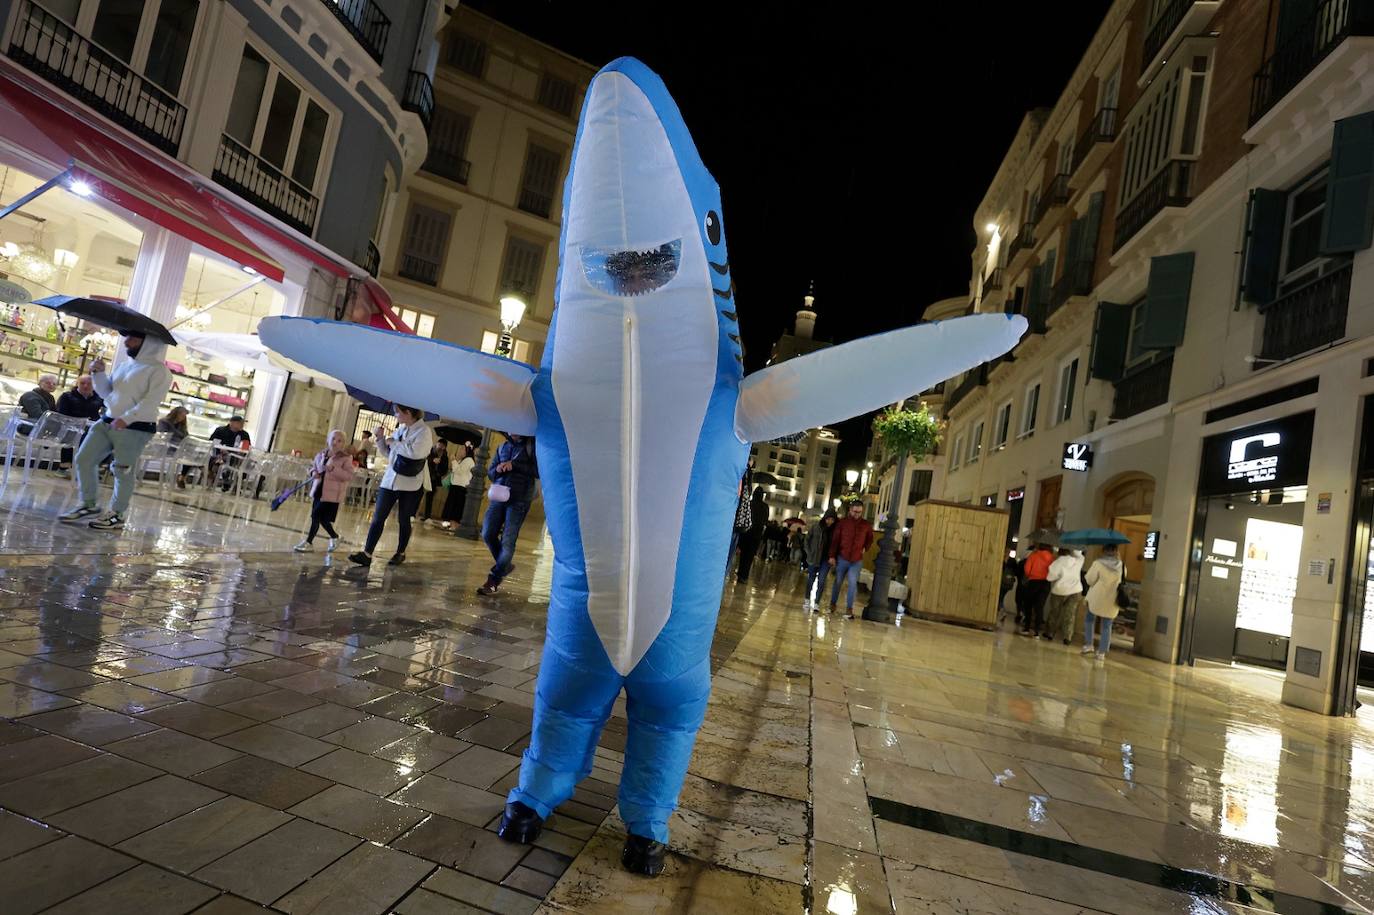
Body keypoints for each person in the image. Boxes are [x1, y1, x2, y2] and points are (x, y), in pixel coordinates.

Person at [58, 331, 171, 530]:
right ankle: (89, 504)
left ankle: (117, 514)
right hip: (108, 420)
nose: (127, 342)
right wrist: (98, 374)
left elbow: (151, 402)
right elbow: (107, 394)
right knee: (84, 459)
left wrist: (127, 418)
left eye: (133, 338)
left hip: (136, 426)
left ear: (148, 342)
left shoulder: (159, 371)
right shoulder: (124, 365)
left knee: (122, 469)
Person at [350, 405, 433, 567]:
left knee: (403, 519)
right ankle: (367, 553)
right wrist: (381, 439)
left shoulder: (424, 431)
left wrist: (393, 442)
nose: (396, 415)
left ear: (408, 413)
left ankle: (400, 553)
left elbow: (416, 453)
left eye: (398, 412)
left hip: (410, 483)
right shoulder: (401, 429)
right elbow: (389, 454)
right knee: (378, 517)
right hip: (390, 480)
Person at [477, 432, 539, 595]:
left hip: (519, 499)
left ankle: (493, 580)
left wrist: (515, 465)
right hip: (499, 495)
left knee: (508, 541)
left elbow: (538, 471)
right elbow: (491, 473)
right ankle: (504, 565)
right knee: (487, 533)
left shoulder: (532, 447)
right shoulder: (503, 446)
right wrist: (497, 469)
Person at [296, 429, 355, 552]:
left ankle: (309, 542)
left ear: (343, 444)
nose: (335, 442)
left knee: (316, 516)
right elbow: (313, 467)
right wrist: (313, 473)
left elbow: (348, 476)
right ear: (328, 440)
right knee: (321, 519)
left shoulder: (345, 458)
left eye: (339, 441)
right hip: (319, 490)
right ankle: (335, 537)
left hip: (332, 494)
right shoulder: (321, 454)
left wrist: (333, 468)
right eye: (333, 439)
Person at [829, 500, 874, 618]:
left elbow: (870, 539)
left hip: (856, 560)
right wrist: (832, 556)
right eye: (855, 512)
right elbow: (835, 540)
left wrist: (866, 548)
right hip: (842, 557)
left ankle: (849, 609)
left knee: (853, 584)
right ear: (850, 510)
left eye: (859, 512)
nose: (857, 514)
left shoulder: (866, 525)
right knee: (838, 582)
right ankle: (832, 604)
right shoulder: (842, 523)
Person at [52, 374, 103, 477]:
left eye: (89, 384)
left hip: (90, 427)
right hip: (70, 427)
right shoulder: (67, 396)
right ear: (77, 384)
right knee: (79, 435)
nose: (85, 386)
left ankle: (95, 465)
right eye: (82, 383)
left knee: (107, 437)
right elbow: (62, 415)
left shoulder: (98, 398)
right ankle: (65, 467)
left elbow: (107, 410)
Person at [1083, 544, 1125, 660]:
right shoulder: (1122, 566)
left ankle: (1088, 645)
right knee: (1107, 625)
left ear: (1104, 551)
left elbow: (1090, 580)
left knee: (1089, 619)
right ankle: (1102, 652)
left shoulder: (1098, 563)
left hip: (1096, 598)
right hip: (1112, 599)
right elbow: (1123, 581)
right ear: (1116, 551)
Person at [1044, 547, 1085, 644]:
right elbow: (1080, 555)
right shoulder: (1078, 560)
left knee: (1055, 612)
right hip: (1075, 590)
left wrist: (1059, 575)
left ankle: (1050, 633)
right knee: (1070, 614)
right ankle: (1068, 637)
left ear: (1059, 552)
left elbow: (1049, 578)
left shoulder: (1057, 562)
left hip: (1059, 590)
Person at [802, 509, 838, 610]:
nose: (830, 522)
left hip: (826, 560)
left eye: (832, 520)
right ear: (825, 518)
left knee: (821, 581)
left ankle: (817, 602)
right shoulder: (816, 527)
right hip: (814, 557)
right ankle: (807, 600)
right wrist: (809, 553)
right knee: (810, 579)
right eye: (828, 519)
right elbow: (807, 539)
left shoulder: (835, 531)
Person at [1019, 541, 1055, 637]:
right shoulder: (1051, 557)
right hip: (1045, 584)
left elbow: (1027, 569)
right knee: (1040, 607)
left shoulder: (1033, 555)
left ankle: (1026, 628)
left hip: (1033, 582)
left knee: (1028, 605)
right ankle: (1036, 632)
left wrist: (1031, 574)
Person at [734, 486, 768, 582]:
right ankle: (744, 576)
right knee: (749, 557)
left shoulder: (749, 503)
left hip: (746, 533)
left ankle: (740, 573)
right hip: (756, 536)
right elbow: (765, 521)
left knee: (743, 555)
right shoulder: (765, 507)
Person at [208, 416, 251, 491]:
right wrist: (221, 448)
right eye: (240, 423)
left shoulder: (244, 434)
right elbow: (212, 442)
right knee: (218, 461)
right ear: (232, 423)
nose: (242, 425)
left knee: (247, 464)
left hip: (237, 456)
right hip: (220, 454)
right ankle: (220, 480)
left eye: (242, 423)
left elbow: (246, 447)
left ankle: (236, 484)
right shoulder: (220, 430)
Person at [441, 442, 476, 530]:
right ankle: (449, 524)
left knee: (456, 507)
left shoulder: (469, 460)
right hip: (455, 486)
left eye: (462, 449)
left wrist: (453, 460)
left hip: (461, 487)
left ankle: (455, 525)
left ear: (467, 450)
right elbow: (454, 470)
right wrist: (456, 460)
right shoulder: (462, 460)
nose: (460, 450)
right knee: (451, 506)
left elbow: (459, 471)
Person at [156, 405, 191, 488]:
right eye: (181, 415)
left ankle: (182, 477)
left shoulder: (181, 426)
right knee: (188, 456)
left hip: (178, 449)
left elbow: (187, 437)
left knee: (191, 456)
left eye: (184, 416)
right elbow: (163, 436)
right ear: (175, 414)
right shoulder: (164, 422)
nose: (182, 417)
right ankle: (181, 478)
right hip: (166, 448)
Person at [419, 441, 450, 523]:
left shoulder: (445, 456)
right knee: (419, 494)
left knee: (430, 498)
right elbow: (424, 459)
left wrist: (439, 466)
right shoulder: (430, 451)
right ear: (436, 444)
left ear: (445, 447)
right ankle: (412, 513)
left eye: (442, 446)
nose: (440, 447)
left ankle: (427, 517)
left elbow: (445, 470)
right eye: (439, 444)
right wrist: (432, 460)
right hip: (425, 476)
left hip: (434, 479)